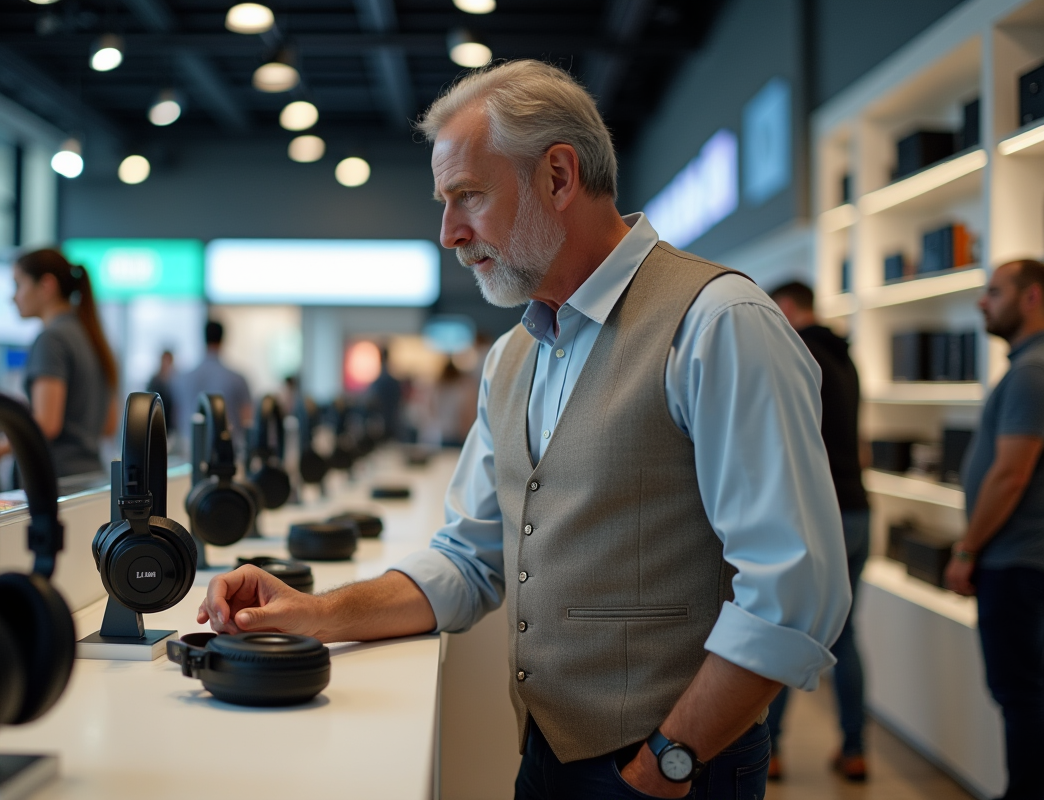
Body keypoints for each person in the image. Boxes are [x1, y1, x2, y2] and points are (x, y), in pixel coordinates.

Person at [195, 60, 849, 800]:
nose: (448, 233)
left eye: (467, 195)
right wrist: (317, 613)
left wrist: (667, 760)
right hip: (545, 754)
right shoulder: (514, 356)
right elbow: (470, 558)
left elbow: (793, 593)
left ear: (559, 177)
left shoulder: (718, 323)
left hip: (676, 769)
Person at [944, 259, 1044, 800]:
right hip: (1019, 560)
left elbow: (1010, 475)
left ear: (1031, 298)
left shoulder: (1032, 371)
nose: (983, 301)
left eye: (995, 291)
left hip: (1015, 563)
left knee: (1021, 694)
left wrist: (966, 548)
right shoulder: (1028, 367)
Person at [768, 280, 870, 782]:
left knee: (784, 628)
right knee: (846, 638)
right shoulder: (846, 356)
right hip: (858, 510)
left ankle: (769, 749)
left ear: (786, 308)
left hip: (817, 514)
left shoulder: (796, 355)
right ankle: (855, 748)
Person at [11, 248, 118, 478]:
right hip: (90, 477)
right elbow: (109, 425)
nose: (13, 297)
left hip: (56, 480)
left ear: (46, 285)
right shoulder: (92, 336)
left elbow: (47, 423)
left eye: (18, 285)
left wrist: (1, 445)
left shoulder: (52, 339)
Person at [173, 321, 252, 453]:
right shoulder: (237, 379)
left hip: (190, 448)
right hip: (227, 451)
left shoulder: (182, 378)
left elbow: (177, 415)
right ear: (223, 339)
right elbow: (247, 419)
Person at [367, 347, 404, 441]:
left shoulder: (378, 383)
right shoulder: (394, 382)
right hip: (393, 422)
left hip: (381, 424)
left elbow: (372, 403)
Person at [147, 349, 177, 430]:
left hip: (171, 423)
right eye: (164, 360)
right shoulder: (154, 380)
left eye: (168, 361)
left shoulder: (175, 380)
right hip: (156, 420)